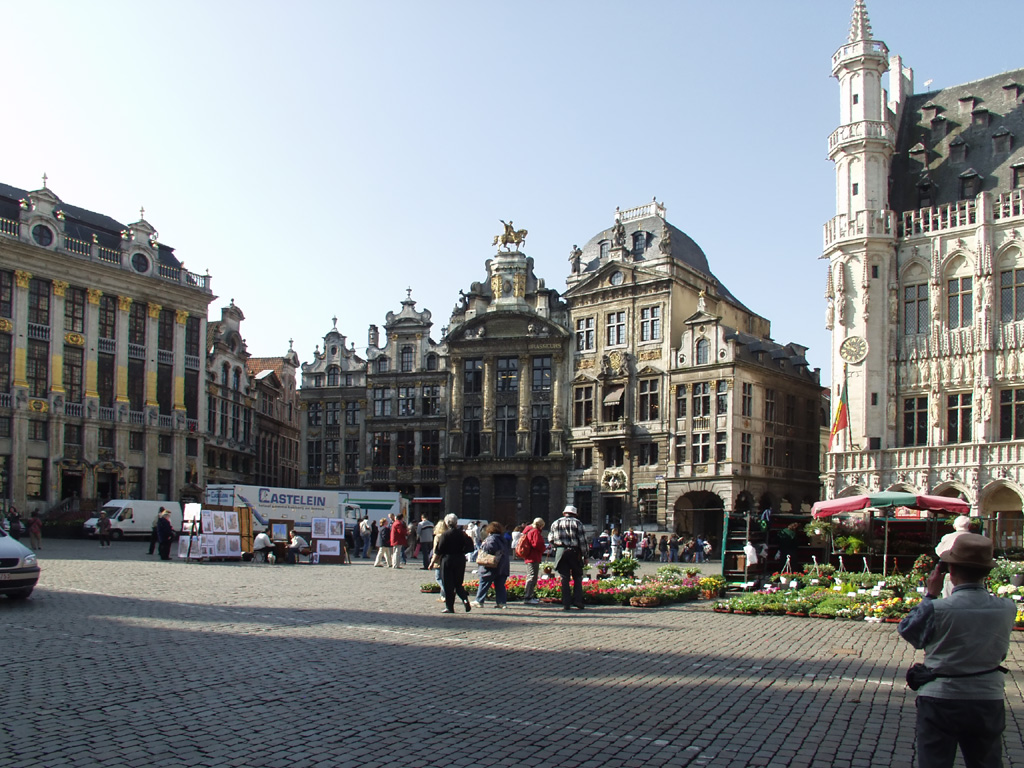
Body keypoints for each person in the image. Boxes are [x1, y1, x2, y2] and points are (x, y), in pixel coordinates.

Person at [898, 533, 1016, 768]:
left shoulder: (937, 608)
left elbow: (909, 630)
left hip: (940, 696)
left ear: (949, 571)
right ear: (987, 572)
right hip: (987, 695)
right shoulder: (1007, 608)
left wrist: (930, 594)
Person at [548, 504, 588, 611]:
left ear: (564, 513)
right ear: (575, 514)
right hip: (574, 552)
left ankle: (566, 603)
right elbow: (583, 541)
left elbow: (550, 538)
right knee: (577, 576)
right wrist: (586, 555)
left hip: (561, 551)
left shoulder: (556, 523)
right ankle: (578, 601)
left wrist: (557, 546)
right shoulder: (578, 523)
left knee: (564, 578)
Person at [434, 513, 474, 613]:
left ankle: (449, 607)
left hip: (447, 559)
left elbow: (439, 549)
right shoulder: (462, 534)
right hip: (460, 559)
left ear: (447, 523)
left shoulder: (445, 534)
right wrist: (462, 551)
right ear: (456, 523)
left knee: (448, 584)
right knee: (458, 583)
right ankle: (465, 600)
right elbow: (471, 547)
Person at [473, 522, 510, 608]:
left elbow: (490, 548)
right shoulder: (502, 538)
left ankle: (479, 600)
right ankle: (501, 603)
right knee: (500, 585)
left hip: (491, 565)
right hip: (502, 565)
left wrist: (483, 546)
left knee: (484, 582)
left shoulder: (491, 538)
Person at [935, 515, 973, 597]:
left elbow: (939, 552)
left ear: (954, 526)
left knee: (949, 603)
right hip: (971, 577)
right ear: (969, 526)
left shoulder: (947, 538)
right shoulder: (976, 539)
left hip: (951, 574)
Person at [520, 518, 546, 605]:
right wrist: (544, 548)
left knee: (531, 576)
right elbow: (537, 544)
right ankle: (528, 597)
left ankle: (529, 595)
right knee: (532, 577)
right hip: (533, 557)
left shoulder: (529, 530)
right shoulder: (535, 531)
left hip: (530, 556)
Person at [428, 518, 449, 600]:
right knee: (444, 578)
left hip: (439, 559)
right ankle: (443, 596)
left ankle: (446, 592)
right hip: (446, 558)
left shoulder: (438, 537)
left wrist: (432, 562)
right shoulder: (447, 535)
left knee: (438, 578)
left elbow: (435, 550)